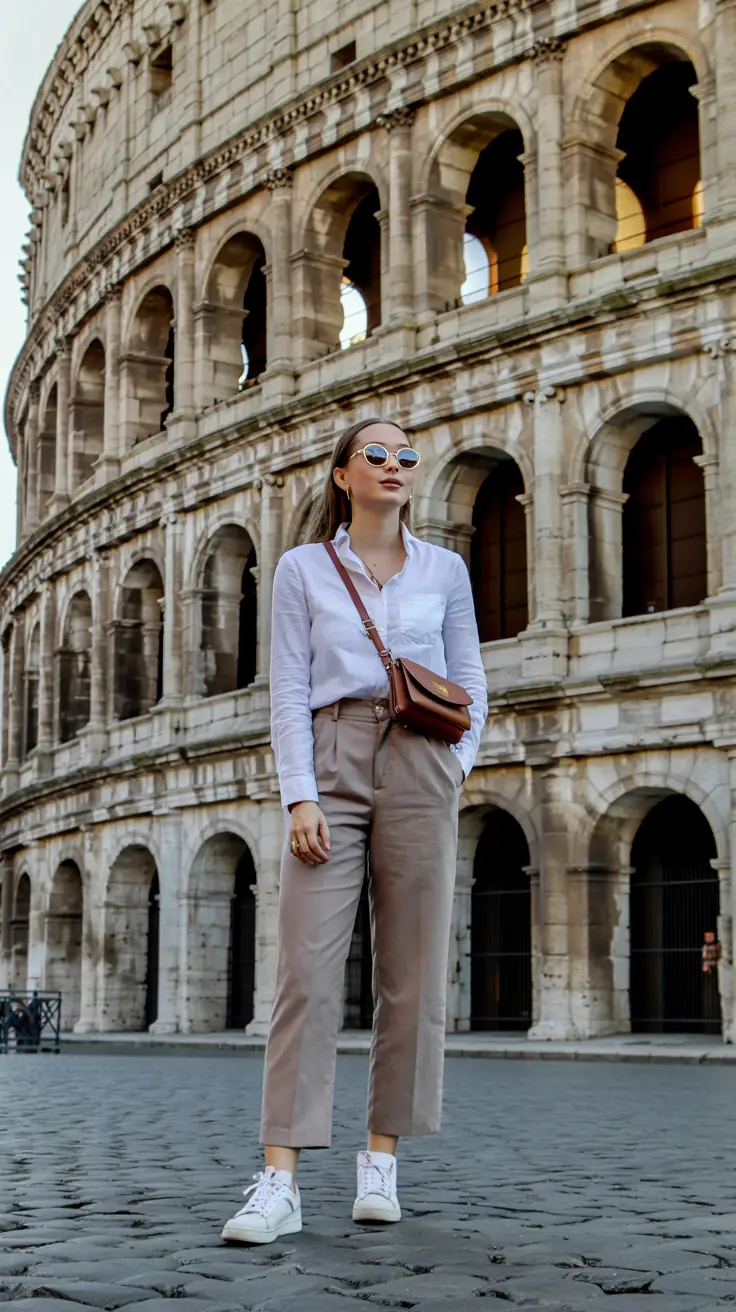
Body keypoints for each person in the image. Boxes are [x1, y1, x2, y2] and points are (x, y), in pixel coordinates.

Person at [221, 417, 488, 1245]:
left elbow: (470, 676)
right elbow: (289, 686)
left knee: (412, 974)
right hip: (332, 756)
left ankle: (381, 1162)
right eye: (375, 454)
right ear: (343, 474)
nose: (394, 466)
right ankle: (279, 1179)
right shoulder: (304, 568)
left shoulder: (444, 568)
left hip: (421, 761)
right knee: (306, 973)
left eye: (406, 456)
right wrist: (299, 794)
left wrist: (454, 768)